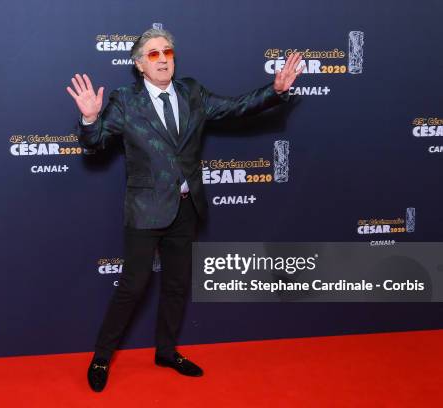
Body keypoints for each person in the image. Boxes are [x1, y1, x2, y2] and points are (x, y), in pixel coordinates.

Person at [66, 28, 302, 392]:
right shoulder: (125, 101)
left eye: (168, 52)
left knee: (177, 285)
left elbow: (235, 106)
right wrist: (89, 119)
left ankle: (167, 351)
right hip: (146, 209)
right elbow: (94, 144)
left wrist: (276, 91)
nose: (163, 60)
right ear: (140, 65)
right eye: (154, 54)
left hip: (187, 206)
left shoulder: (193, 91)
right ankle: (101, 356)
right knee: (133, 286)